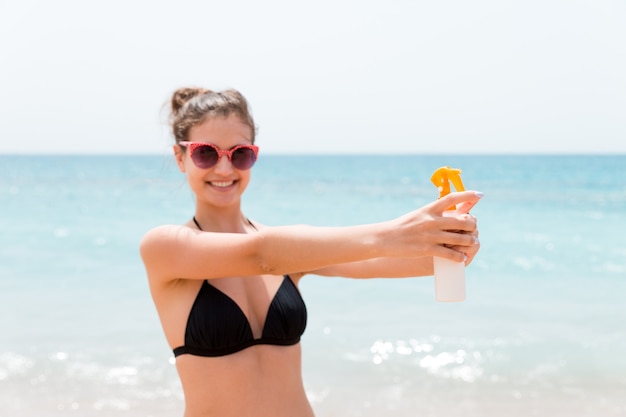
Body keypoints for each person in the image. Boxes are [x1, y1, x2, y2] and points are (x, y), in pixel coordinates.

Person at [139, 87, 482, 417]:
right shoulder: (166, 246)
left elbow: (396, 261)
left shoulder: (290, 251)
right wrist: (396, 232)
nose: (225, 169)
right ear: (180, 157)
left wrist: (451, 244)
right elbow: (260, 256)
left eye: (240, 154)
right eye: (206, 153)